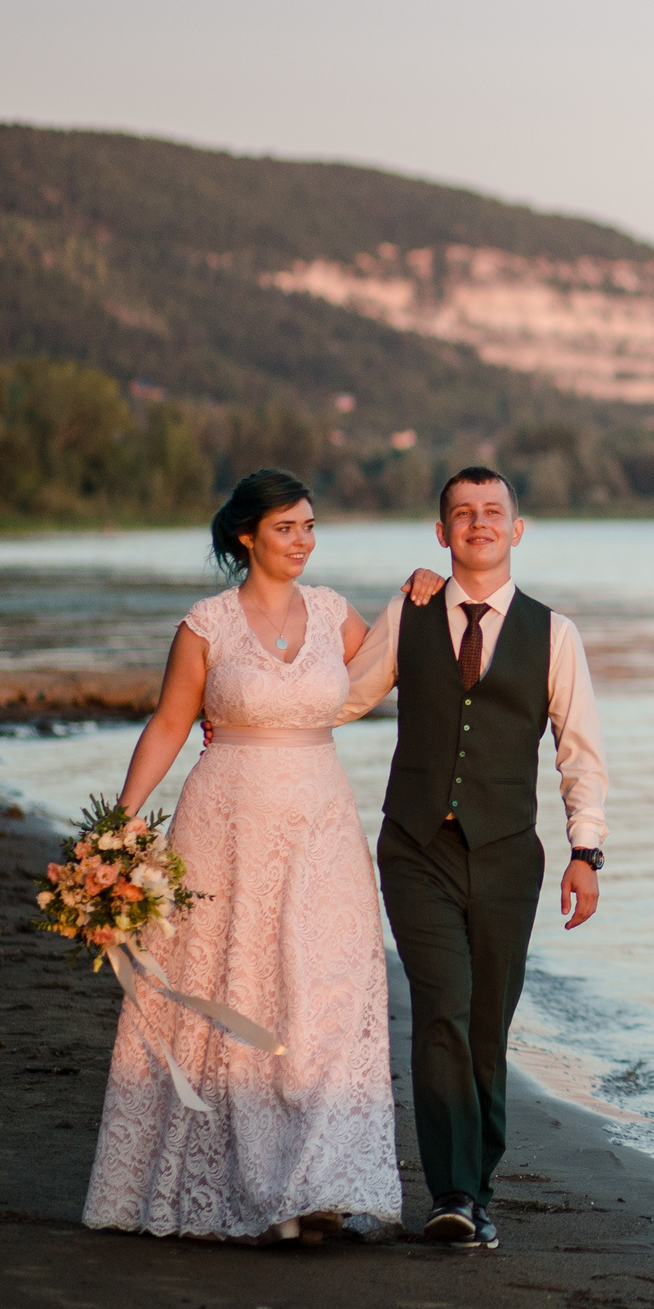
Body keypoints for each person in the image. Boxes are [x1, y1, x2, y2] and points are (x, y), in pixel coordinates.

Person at [83, 469, 404, 1244]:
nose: (302, 541)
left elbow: (391, 669)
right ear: (245, 535)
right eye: (287, 527)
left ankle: (318, 1183)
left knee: (327, 992)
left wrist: (418, 596)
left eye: (309, 526)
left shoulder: (334, 613)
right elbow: (170, 724)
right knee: (236, 988)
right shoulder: (207, 625)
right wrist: (119, 829)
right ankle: (253, 1192)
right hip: (224, 826)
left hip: (322, 826)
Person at [336, 464, 608, 1252]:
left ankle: (476, 1187)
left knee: (487, 1025)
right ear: (441, 531)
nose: (478, 522)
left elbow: (580, 751)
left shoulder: (554, 634)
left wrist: (586, 851)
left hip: (507, 858)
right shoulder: (409, 612)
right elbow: (344, 696)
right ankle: (451, 1193)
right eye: (463, 512)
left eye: (493, 511)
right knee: (442, 1008)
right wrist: (250, 710)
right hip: (415, 847)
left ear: (516, 529)